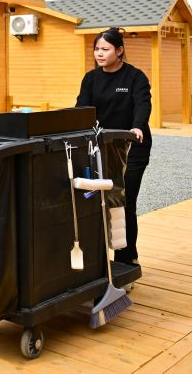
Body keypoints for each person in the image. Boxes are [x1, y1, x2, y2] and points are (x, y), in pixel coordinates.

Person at [75, 27, 151, 266]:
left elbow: (143, 104)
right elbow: (81, 110)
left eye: (105, 49)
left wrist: (137, 126)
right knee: (100, 201)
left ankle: (127, 260)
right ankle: (98, 262)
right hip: (101, 148)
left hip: (133, 147)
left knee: (124, 200)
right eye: (97, 49)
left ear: (119, 51)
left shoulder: (135, 77)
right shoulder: (91, 79)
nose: (99, 53)